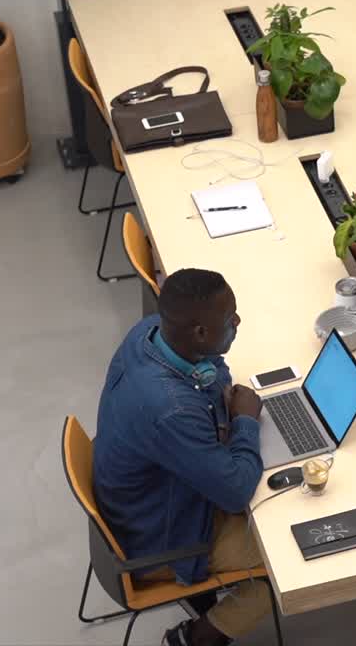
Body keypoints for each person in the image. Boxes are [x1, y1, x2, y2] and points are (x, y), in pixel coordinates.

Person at [93, 268, 269, 646]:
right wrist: (243, 423)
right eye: (229, 318)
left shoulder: (150, 332)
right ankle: (198, 638)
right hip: (165, 538)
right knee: (287, 561)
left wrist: (226, 411)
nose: (238, 321)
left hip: (149, 502)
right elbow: (236, 491)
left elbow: (216, 371)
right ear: (201, 332)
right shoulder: (170, 409)